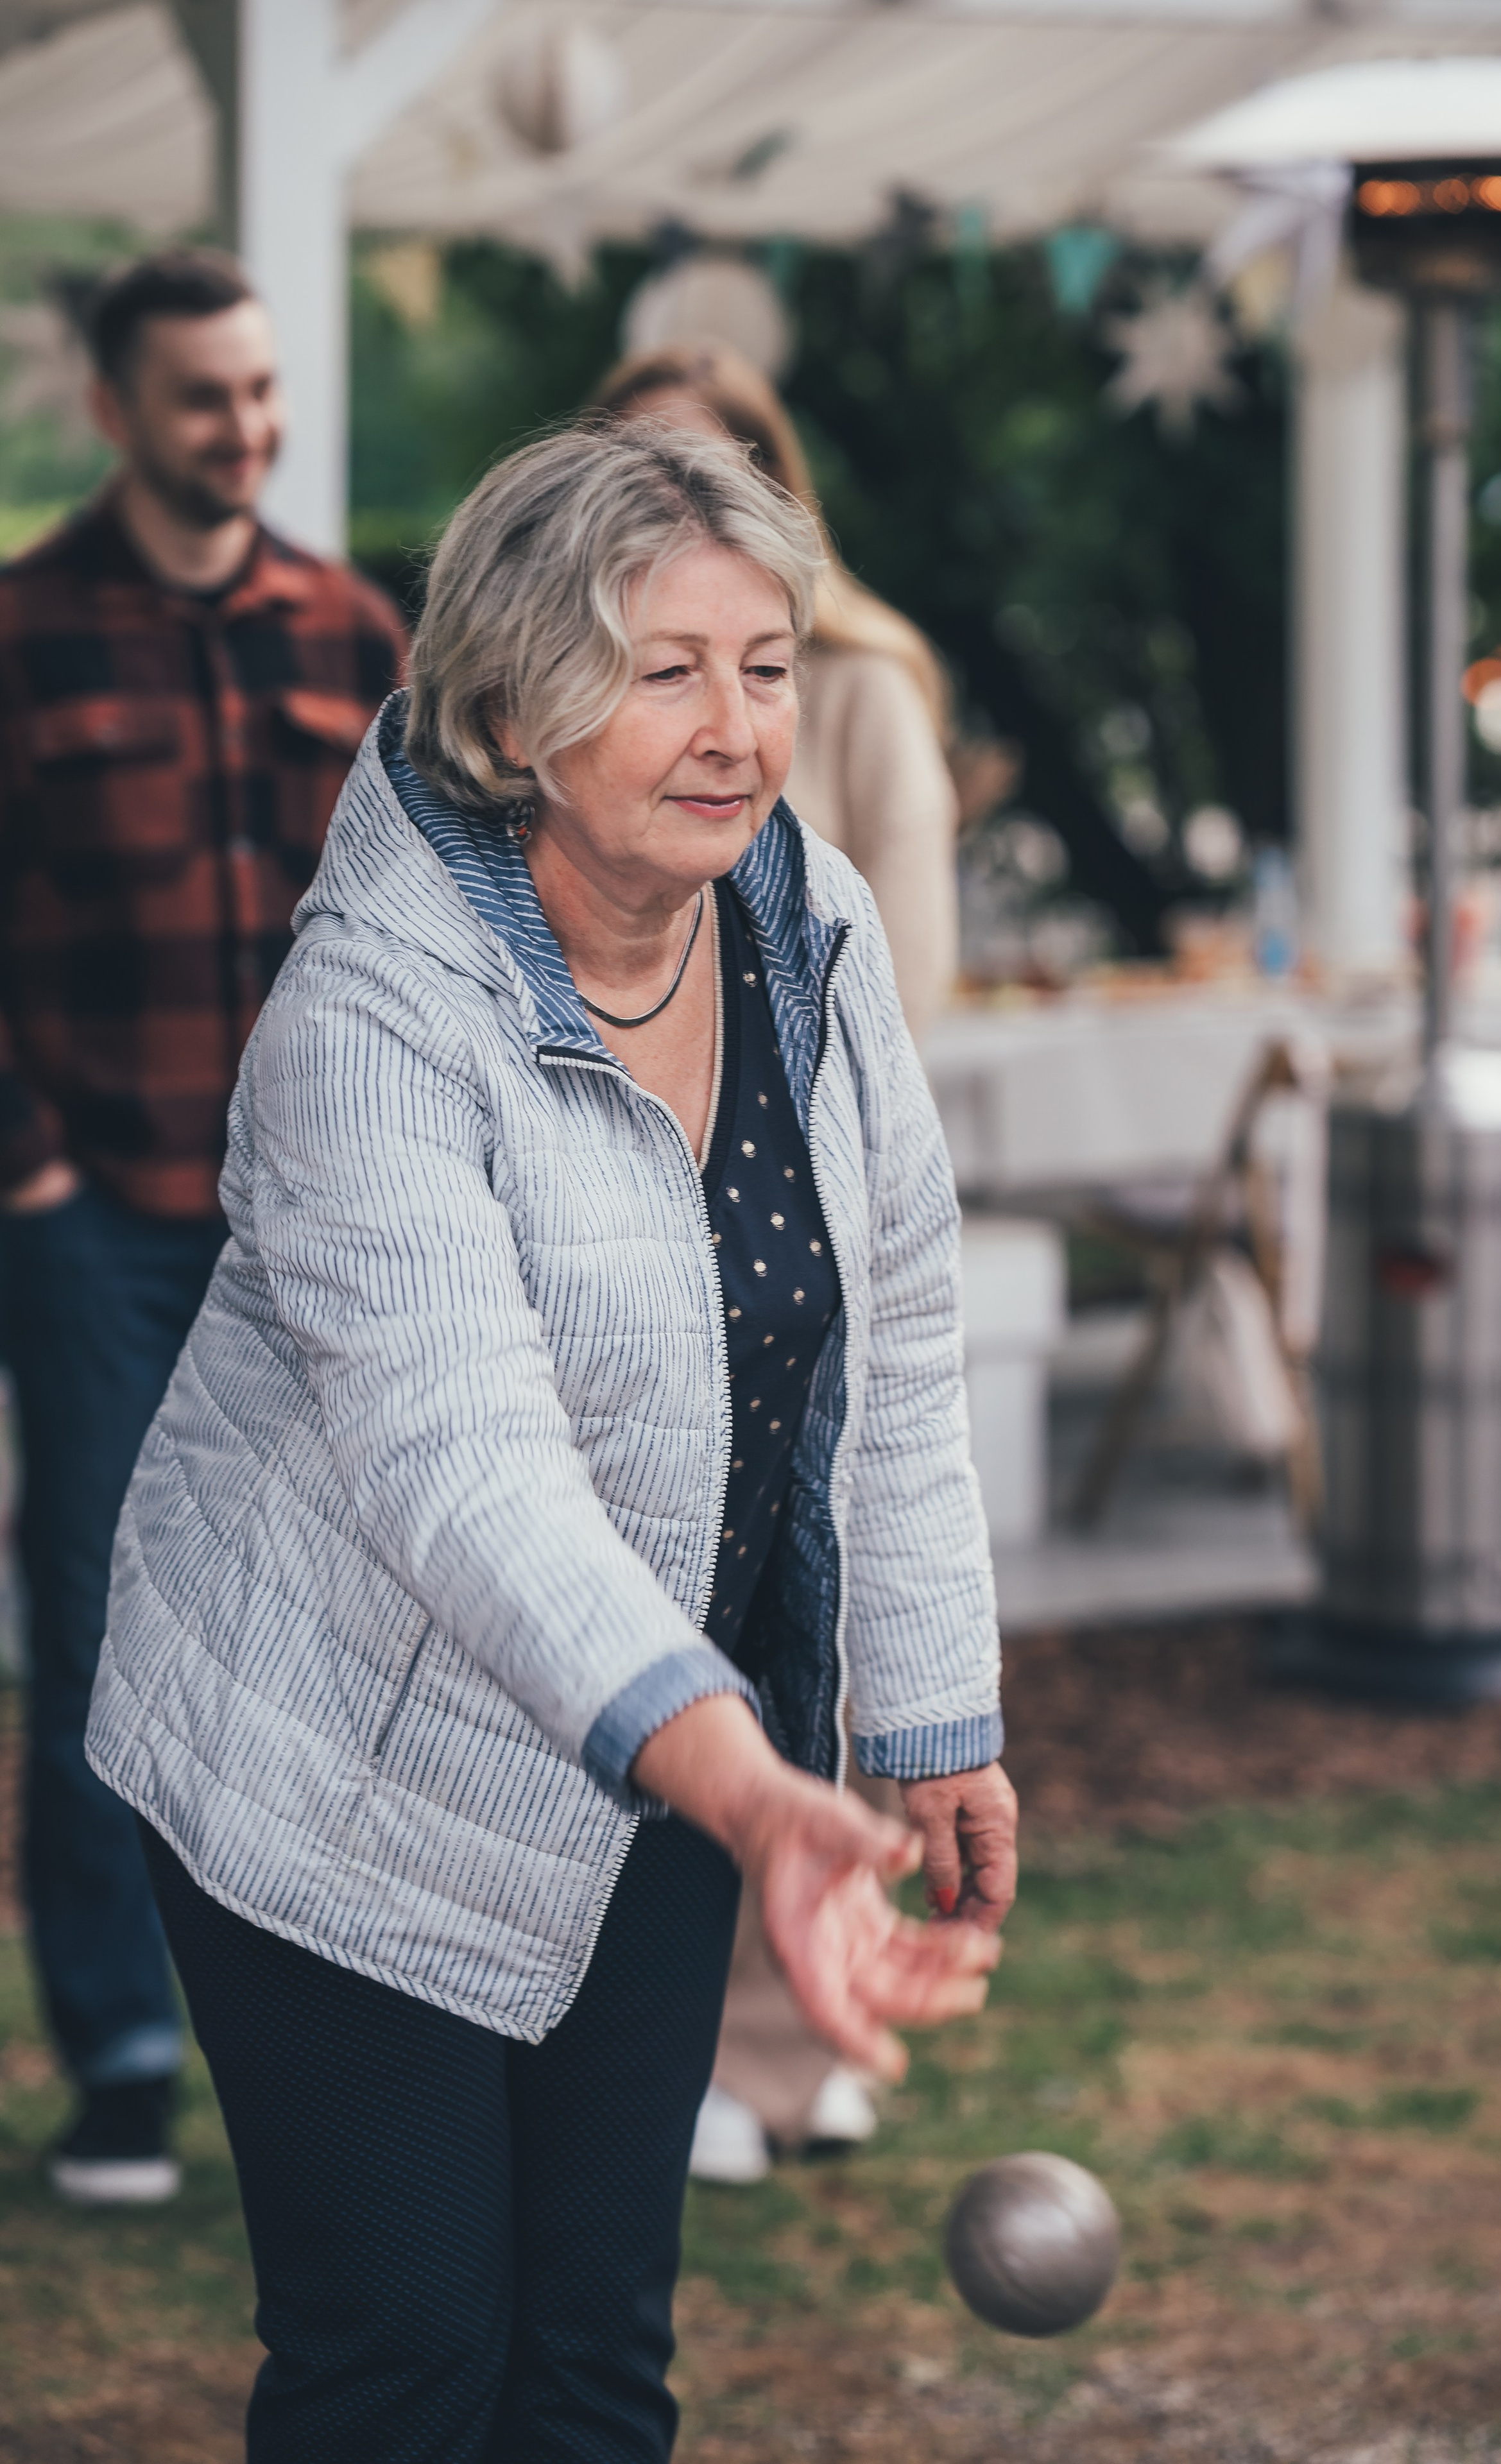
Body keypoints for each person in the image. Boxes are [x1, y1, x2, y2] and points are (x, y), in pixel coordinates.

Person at [85, 418, 1016, 2461]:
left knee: (595, 2364)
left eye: (762, 664)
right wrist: (763, 1797)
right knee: (407, 2355)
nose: (734, 727)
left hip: (663, 1764)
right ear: (511, 703)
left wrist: (929, 1707)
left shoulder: (814, 927)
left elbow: (903, 1324)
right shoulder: (370, 1018)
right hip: (339, 1764)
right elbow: (464, 1466)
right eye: (659, 667)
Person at [0, 250, 406, 2207]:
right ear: (113, 411)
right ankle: (124, 2055)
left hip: (318, 1234)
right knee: (101, 1633)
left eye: (259, 392)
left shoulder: (355, 630)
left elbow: (420, 921)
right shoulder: (21, 633)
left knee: (333, 1634)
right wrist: (30, 1172)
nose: (242, 429)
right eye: (199, 399)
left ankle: (317, 2037)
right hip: (100, 1222)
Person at [596, 341, 966, 2178]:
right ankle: (718, 2052)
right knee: (669, 1653)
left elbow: (904, 981)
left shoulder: (868, 687)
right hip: (628, 1235)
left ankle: (782, 2037)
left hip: (804, 1218)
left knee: (813, 1642)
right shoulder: (546, 710)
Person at [595, 341, 959, 1041]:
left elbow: (906, 970)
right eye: (633, 474)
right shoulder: (566, 688)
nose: (674, 501)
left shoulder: (863, 684)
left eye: (765, 675)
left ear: (771, 487)